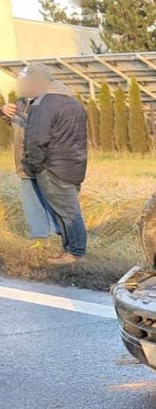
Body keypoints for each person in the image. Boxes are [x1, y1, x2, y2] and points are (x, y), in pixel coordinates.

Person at [1, 64, 89, 264]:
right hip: (73, 166)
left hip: (52, 168)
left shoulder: (43, 105)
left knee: (68, 212)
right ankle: (69, 251)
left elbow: (37, 140)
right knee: (67, 209)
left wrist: (36, 165)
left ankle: (75, 253)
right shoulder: (72, 102)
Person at [4, 79, 59, 241]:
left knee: (53, 198)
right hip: (23, 162)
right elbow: (11, 124)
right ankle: (40, 236)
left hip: (46, 162)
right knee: (32, 201)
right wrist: (3, 110)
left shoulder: (50, 103)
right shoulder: (19, 103)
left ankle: (60, 232)